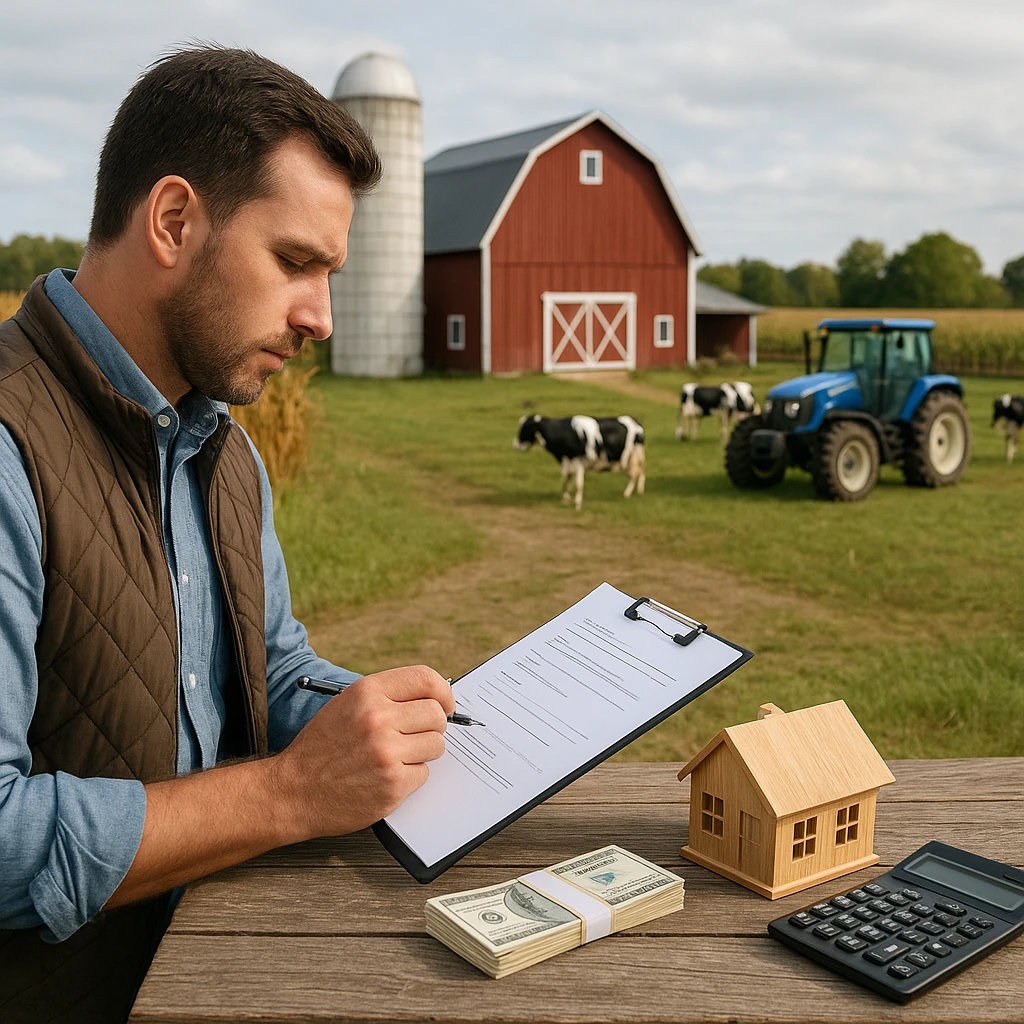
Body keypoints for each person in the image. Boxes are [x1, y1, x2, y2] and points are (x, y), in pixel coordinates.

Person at [0, 46, 455, 1024]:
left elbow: (270, 669)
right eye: (295, 262)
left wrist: (413, 731)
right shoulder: (7, 446)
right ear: (172, 221)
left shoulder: (226, 456)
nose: (322, 318)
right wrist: (289, 794)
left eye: (332, 274)